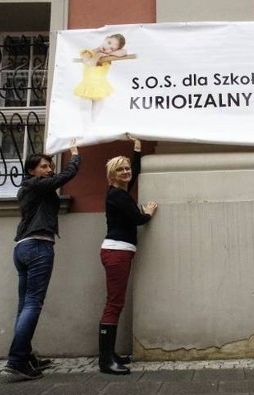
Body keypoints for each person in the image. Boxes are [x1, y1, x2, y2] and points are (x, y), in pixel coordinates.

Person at [5, 142, 81, 381]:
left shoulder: (30, 187)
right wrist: (76, 156)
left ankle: (25, 355)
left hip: (23, 248)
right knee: (33, 304)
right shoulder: (35, 185)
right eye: (44, 166)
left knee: (24, 305)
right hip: (37, 246)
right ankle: (17, 360)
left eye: (50, 166)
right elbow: (65, 176)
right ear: (31, 171)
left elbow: (55, 182)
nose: (49, 170)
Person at [98, 133, 158, 375]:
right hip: (117, 252)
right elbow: (138, 219)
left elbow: (134, 170)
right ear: (112, 175)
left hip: (119, 251)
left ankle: (110, 354)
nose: (126, 172)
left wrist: (136, 148)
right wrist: (149, 212)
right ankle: (105, 361)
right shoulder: (117, 195)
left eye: (126, 169)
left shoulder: (120, 192)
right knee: (114, 304)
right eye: (120, 170)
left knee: (115, 302)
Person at [74, 34, 129, 125]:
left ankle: (93, 132)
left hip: (101, 89)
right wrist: (99, 55)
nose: (108, 47)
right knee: (85, 115)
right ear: (106, 38)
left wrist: (109, 53)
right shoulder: (87, 52)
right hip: (86, 88)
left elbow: (124, 52)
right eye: (109, 42)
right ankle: (85, 133)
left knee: (95, 117)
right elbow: (90, 64)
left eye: (112, 48)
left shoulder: (107, 56)